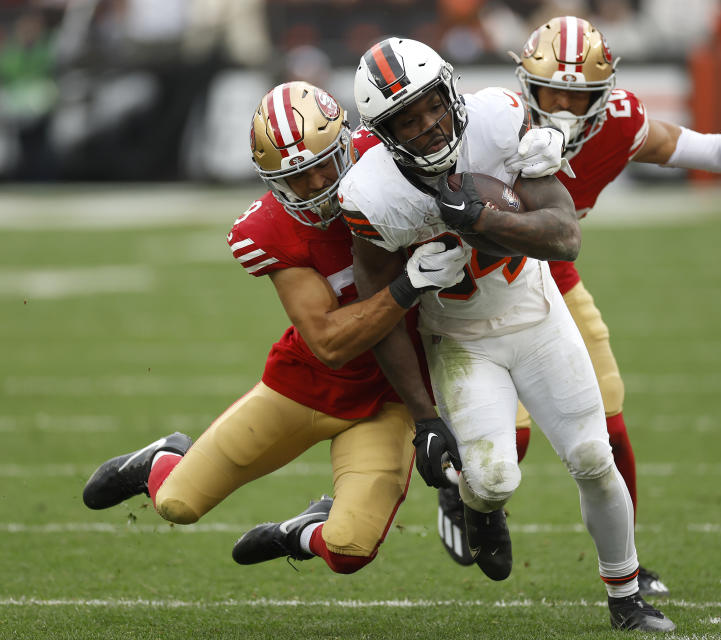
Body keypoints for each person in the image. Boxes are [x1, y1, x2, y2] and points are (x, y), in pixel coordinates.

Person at [436, 14, 721, 594]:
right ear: (525, 86)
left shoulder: (619, 123)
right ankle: (464, 491)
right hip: (472, 289)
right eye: (551, 93)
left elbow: (702, 148)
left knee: (609, 423)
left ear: (604, 98)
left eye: (579, 98)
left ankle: (628, 560)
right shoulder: (489, 121)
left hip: (553, 275)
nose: (562, 112)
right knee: (512, 439)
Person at [340, 36, 676, 632]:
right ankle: (479, 506)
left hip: (538, 316)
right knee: (494, 480)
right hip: (461, 341)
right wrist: (424, 419)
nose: (428, 125)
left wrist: (486, 220)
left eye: (432, 106)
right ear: (383, 132)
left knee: (595, 456)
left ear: (452, 91)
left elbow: (565, 235)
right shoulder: (371, 194)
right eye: (407, 120)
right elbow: (380, 314)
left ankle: (625, 595)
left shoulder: (497, 123)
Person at [81, 81, 471, 575]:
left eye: (322, 168)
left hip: (393, 396)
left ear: (348, 144)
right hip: (305, 388)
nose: (313, 189)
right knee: (177, 503)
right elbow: (329, 343)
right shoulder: (272, 229)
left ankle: (302, 530)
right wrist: (406, 286)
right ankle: (162, 459)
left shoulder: (395, 164)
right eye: (297, 179)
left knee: (349, 549)